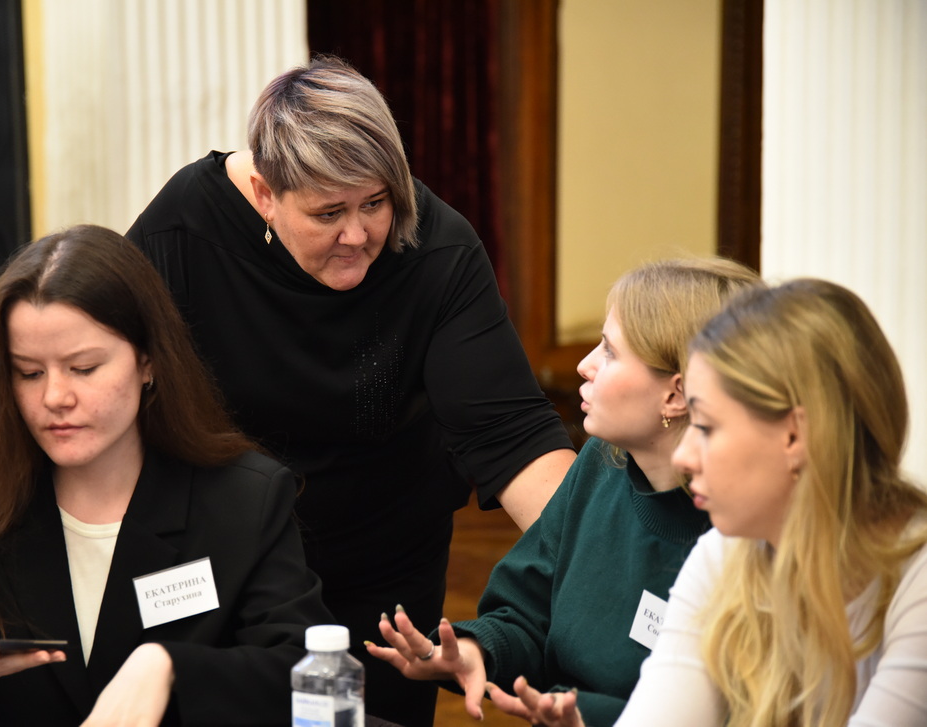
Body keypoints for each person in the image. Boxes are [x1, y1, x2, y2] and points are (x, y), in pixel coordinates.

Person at [125, 55, 575, 726]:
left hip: (384, 558)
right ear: (265, 193)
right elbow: (114, 388)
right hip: (227, 554)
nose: (358, 235)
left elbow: (513, 438)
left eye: (375, 203)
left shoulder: (438, 250)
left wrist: (606, 561)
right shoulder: (183, 232)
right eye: (328, 212)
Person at [0, 225, 332, 727]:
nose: (55, 398)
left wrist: (170, 668)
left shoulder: (243, 497)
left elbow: (307, 676)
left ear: (148, 361)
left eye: (83, 368)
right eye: (29, 373)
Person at [368, 258, 760, 725]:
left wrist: (587, 716)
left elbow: (736, 710)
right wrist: (477, 652)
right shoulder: (601, 463)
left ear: (675, 395)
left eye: (610, 351)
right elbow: (526, 612)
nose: (584, 365)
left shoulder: (742, 533)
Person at [520, 279, 927, 726]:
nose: (685, 456)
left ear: (794, 436)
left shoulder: (917, 579)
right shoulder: (727, 554)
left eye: (708, 427)